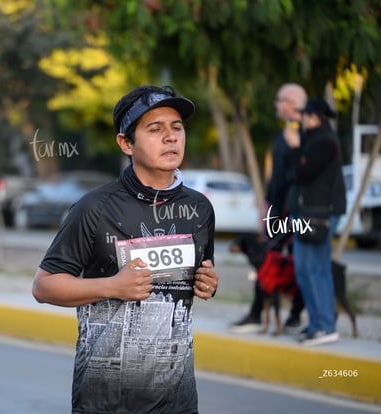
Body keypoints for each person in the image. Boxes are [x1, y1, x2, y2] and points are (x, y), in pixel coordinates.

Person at [32, 85, 219, 413]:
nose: (171, 137)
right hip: (106, 402)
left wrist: (207, 282)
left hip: (178, 401)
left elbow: (197, 275)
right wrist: (111, 286)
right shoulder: (94, 208)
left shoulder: (200, 209)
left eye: (177, 128)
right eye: (155, 129)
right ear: (126, 143)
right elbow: (43, 286)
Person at [229, 83, 307, 334]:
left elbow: (300, 176)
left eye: (279, 100)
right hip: (276, 209)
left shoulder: (306, 132)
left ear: (292, 102)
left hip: (293, 212)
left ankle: (295, 315)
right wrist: (267, 206)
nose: (276, 105)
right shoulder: (286, 132)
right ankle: (258, 314)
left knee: (297, 263)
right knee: (265, 263)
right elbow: (278, 177)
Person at [284, 97, 346, 346]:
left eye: (307, 115)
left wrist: (297, 147)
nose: (303, 119)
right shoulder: (314, 140)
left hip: (319, 213)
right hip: (307, 211)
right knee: (304, 269)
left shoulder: (325, 142)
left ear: (317, 117)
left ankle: (326, 326)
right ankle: (316, 323)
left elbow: (303, 173)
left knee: (316, 269)